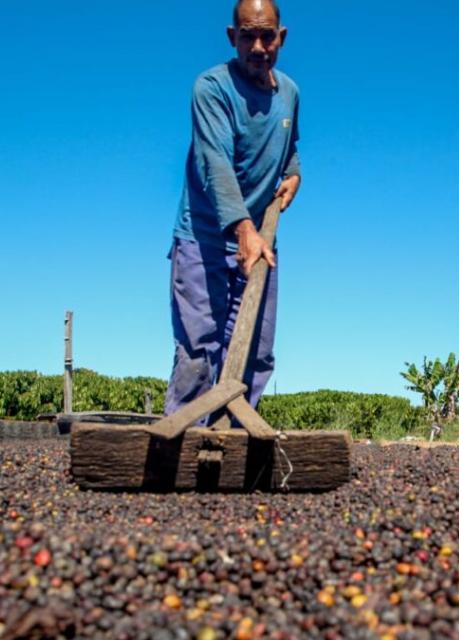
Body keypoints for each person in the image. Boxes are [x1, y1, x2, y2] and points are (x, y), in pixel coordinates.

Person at [165, 0, 301, 417]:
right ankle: (185, 444)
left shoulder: (290, 94)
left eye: (266, 36)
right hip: (203, 237)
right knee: (199, 348)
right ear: (232, 37)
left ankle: (234, 445)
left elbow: (290, 148)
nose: (258, 47)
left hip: (260, 240)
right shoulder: (211, 87)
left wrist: (294, 173)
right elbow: (215, 162)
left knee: (256, 351)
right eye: (247, 36)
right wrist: (243, 229)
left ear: (281, 37)